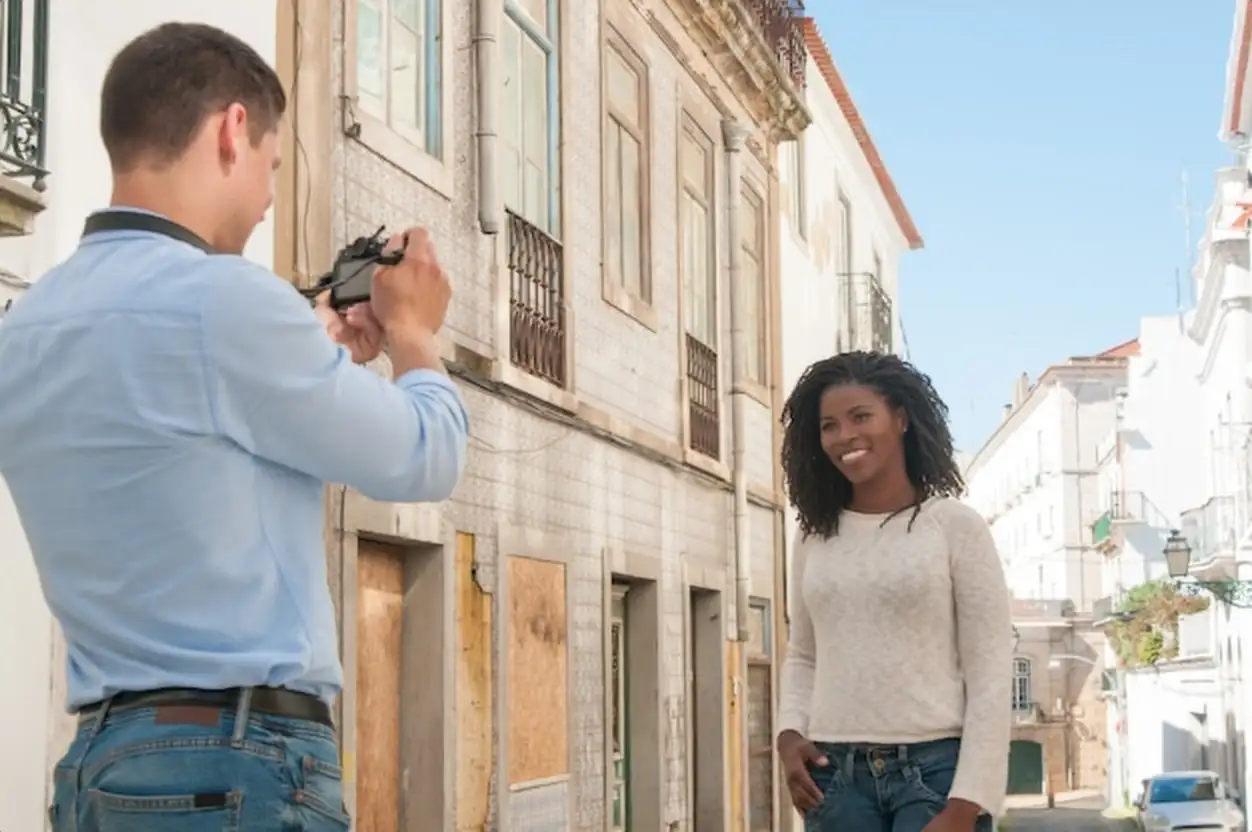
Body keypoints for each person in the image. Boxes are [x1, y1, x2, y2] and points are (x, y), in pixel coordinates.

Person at [0, 22, 469, 831]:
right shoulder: (227, 300)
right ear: (232, 129)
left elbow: (174, 426)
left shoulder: (26, 325)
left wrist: (310, 345)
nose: (271, 197)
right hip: (238, 765)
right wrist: (419, 338)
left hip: (99, 770)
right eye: (273, 165)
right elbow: (423, 459)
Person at [776, 351, 1011, 832]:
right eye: (829, 426)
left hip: (935, 775)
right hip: (833, 777)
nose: (844, 436)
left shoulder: (953, 527)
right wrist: (787, 735)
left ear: (901, 418)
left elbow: (990, 672)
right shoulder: (814, 535)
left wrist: (967, 802)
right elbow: (804, 654)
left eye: (860, 417)